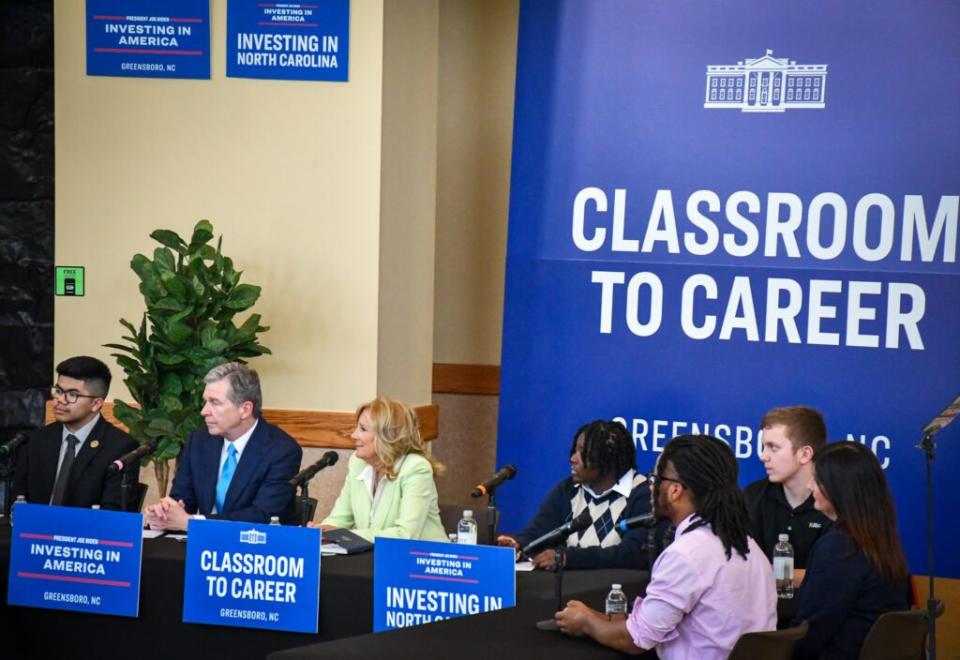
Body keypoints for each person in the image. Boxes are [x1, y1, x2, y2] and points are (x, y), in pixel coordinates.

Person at [555, 435, 776, 659]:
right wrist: (594, 616)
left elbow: (635, 639)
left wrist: (585, 623)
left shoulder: (687, 554)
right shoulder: (747, 544)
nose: (651, 487)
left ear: (674, 490)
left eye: (655, 479)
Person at [145, 362, 301, 530]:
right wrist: (165, 512)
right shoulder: (199, 440)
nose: (204, 411)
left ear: (245, 409)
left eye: (215, 402)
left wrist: (193, 524)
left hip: (255, 550)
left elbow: (263, 516)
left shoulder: (281, 450)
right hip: (202, 549)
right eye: (205, 401)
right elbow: (182, 500)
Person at [792, 441, 909, 659]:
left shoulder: (840, 547)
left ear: (839, 488)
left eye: (817, 479)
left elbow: (808, 632)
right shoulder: (881, 542)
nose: (809, 486)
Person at [497, 419, 653, 569]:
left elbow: (632, 554)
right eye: (574, 450)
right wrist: (518, 543)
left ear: (608, 459)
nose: (573, 458)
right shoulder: (569, 489)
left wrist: (569, 557)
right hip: (572, 591)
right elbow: (538, 533)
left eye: (583, 452)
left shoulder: (642, 494)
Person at [13, 356, 138, 510]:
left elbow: (113, 513)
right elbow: (18, 501)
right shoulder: (36, 440)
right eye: (58, 391)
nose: (60, 399)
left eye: (72, 394)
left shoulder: (120, 447)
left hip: (86, 532)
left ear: (96, 404)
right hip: (36, 532)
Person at [314, 398, 447, 542]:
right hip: (375, 558)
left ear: (387, 435)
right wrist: (321, 531)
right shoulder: (357, 463)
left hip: (421, 559)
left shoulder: (416, 468)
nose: (353, 435)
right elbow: (339, 519)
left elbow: (405, 535)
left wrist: (346, 535)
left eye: (363, 429)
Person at [744, 406, 832, 568]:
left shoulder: (833, 504)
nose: (763, 456)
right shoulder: (752, 496)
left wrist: (770, 575)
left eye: (773, 447)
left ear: (805, 454)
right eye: (764, 447)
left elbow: (836, 574)